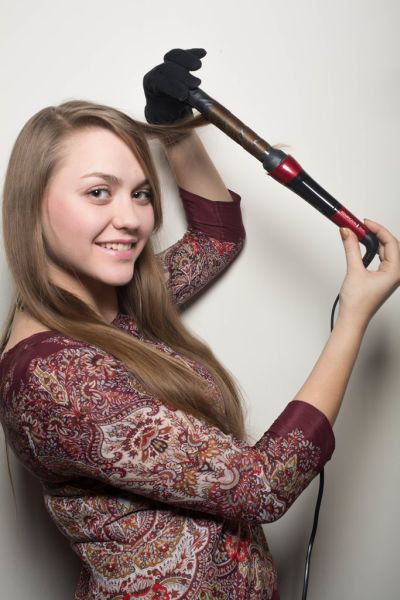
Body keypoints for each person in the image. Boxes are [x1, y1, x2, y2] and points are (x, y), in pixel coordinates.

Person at [0, 47, 399, 600]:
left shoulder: (114, 308)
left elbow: (216, 236)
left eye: (141, 193)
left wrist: (172, 127)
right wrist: (352, 318)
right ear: (32, 206)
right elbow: (262, 485)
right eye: (98, 192)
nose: (130, 219)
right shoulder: (57, 380)